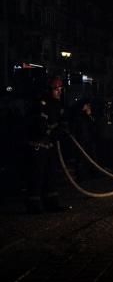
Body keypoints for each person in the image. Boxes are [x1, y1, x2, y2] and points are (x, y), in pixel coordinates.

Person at [25, 76, 67, 213]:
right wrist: (52, 130)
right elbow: (40, 127)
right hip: (37, 145)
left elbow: (59, 122)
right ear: (49, 90)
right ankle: (34, 204)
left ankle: (52, 203)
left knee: (51, 174)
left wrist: (62, 129)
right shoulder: (41, 104)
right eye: (56, 89)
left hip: (49, 145)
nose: (59, 92)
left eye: (61, 89)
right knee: (37, 175)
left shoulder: (56, 104)